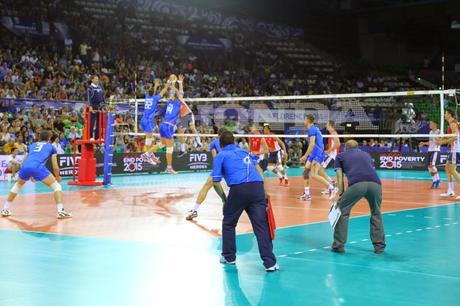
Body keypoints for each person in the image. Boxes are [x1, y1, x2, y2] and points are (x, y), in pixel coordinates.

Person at [212, 131, 278, 272]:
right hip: (257, 188)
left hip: (238, 190)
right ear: (234, 141)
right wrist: (264, 190)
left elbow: (215, 182)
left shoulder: (220, 155)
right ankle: (270, 263)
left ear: (220, 144)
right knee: (261, 227)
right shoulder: (245, 152)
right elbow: (259, 169)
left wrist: (225, 199)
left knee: (229, 223)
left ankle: (229, 257)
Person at [1, 130, 72, 219]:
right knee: (56, 186)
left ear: (39, 138)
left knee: (17, 185)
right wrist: (58, 176)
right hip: (37, 167)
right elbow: (55, 166)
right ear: (49, 138)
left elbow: (26, 158)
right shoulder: (51, 147)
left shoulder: (33, 145)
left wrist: (28, 173)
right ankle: (61, 211)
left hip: (25, 166)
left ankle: (5, 209)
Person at [332, 140, 385, 254]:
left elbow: (339, 176)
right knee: (376, 213)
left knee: (342, 211)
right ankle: (379, 247)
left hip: (357, 184)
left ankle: (338, 245)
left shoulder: (340, 156)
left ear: (345, 148)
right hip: (375, 185)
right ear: (358, 147)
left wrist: (341, 193)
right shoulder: (366, 154)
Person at [148, 75, 192, 174]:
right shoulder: (177, 101)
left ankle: (148, 154)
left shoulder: (169, 101)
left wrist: (173, 83)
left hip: (163, 125)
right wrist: (175, 83)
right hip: (168, 126)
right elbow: (178, 93)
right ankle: (168, 167)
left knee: (163, 144)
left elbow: (177, 93)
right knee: (169, 147)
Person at [186, 128, 228, 221]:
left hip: (220, 166)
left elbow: (215, 156)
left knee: (206, 186)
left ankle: (194, 210)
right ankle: (225, 201)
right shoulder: (232, 144)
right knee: (215, 183)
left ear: (218, 135)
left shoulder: (215, 142)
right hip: (231, 166)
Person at [299, 115, 335, 201]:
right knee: (305, 172)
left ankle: (331, 187)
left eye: (304, 119)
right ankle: (307, 194)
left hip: (317, 154)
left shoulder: (312, 129)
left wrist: (305, 156)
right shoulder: (313, 128)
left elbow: (311, 144)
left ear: (308, 120)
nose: (303, 121)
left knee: (314, 175)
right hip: (313, 154)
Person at [140, 79, 166, 165]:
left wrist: (155, 85)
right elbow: (162, 93)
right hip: (148, 120)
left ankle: (150, 155)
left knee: (149, 139)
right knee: (149, 139)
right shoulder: (155, 98)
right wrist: (167, 85)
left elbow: (152, 91)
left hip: (143, 119)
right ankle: (148, 156)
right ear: (154, 93)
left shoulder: (147, 96)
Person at [437, 109, 460, 198]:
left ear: (450, 115)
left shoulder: (453, 124)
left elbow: (455, 137)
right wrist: (443, 140)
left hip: (456, 149)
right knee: (447, 168)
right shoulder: (453, 123)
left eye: (445, 113)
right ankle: (450, 191)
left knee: (452, 170)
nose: (444, 115)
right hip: (453, 149)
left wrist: (442, 142)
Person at [418, 120, 441, 189]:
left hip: (435, 150)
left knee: (432, 165)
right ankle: (434, 181)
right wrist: (423, 143)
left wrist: (438, 139)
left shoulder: (439, 131)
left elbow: (440, 141)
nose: (429, 125)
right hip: (429, 150)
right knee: (429, 167)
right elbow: (431, 142)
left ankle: (438, 180)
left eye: (431, 123)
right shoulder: (430, 132)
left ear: (435, 124)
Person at [320, 120, 340, 194]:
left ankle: (331, 185)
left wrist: (329, 151)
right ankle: (331, 185)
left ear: (330, 125)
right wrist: (327, 151)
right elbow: (333, 144)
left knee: (320, 169)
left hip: (332, 156)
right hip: (330, 155)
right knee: (320, 169)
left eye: (327, 124)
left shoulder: (334, 133)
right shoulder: (331, 133)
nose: (326, 126)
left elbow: (338, 144)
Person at [87, 75, 105, 140]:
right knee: (92, 122)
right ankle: (91, 136)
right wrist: (90, 106)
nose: (97, 80)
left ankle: (97, 137)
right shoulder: (90, 88)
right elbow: (89, 98)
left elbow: (102, 97)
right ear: (92, 80)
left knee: (99, 122)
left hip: (99, 106)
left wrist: (103, 106)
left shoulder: (100, 87)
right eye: (96, 79)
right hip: (93, 106)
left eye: (97, 79)